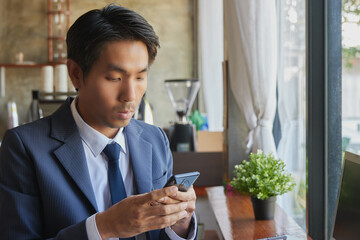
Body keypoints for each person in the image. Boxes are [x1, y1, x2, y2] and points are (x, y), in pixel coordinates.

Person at [0, 4, 197, 240]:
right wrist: (104, 227)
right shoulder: (24, 147)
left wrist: (180, 223)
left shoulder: (155, 139)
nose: (131, 95)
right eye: (115, 78)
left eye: (140, 77)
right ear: (75, 74)